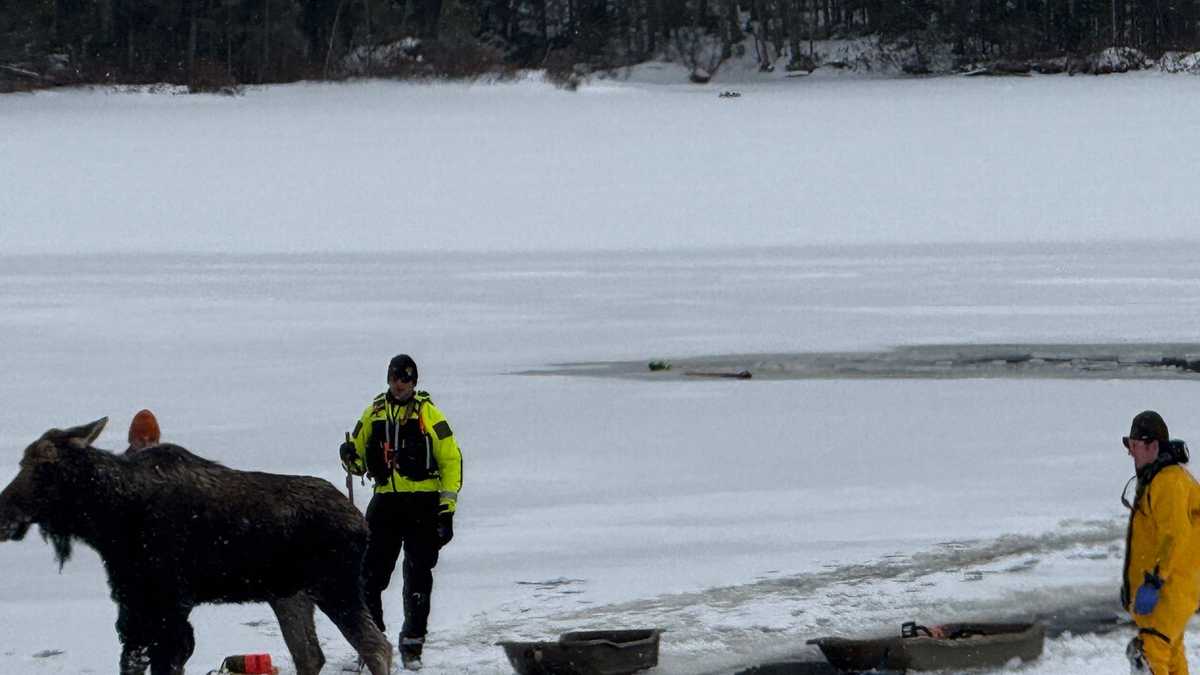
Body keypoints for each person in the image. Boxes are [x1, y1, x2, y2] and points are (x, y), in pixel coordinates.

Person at [340, 354, 462, 671]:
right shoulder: (373, 414)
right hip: (385, 504)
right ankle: (373, 642)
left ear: (414, 382)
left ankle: (412, 645)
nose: (400, 384)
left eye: (406, 378)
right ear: (389, 379)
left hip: (423, 503)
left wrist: (446, 511)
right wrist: (349, 457)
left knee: (418, 577)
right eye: (396, 377)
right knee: (368, 575)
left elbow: (451, 460)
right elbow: (358, 464)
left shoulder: (430, 415)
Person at [1121, 410, 1200, 674]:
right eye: (1129, 446)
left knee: (1150, 655)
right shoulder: (1162, 479)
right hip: (1173, 592)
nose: (1131, 453)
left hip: (1168, 591)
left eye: (1134, 445)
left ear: (1152, 445)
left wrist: (1155, 581)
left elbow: (1175, 536)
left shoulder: (1168, 483)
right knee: (1171, 654)